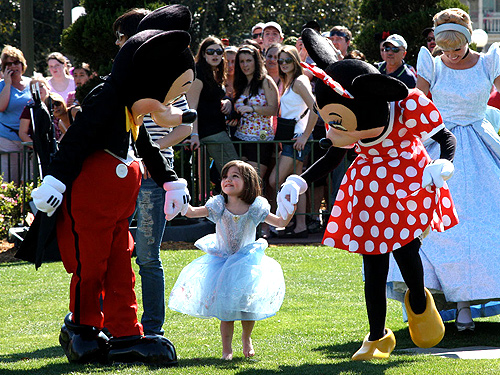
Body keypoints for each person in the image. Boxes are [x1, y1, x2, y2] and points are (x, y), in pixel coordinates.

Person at [278, 28, 459, 360]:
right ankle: (377, 337)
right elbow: (333, 152)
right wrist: (298, 181)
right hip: (369, 186)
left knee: (405, 250)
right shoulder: (346, 121)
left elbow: (445, 137)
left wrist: (444, 163)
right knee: (373, 262)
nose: (333, 132)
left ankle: (418, 301)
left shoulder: (406, 103)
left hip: (407, 182)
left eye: (341, 124)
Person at [388, 7, 500, 332]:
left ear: (467, 41)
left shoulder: (490, 61)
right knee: (439, 228)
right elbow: (416, 102)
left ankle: (470, 301)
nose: (450, 55)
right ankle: (449, 304)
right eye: (445, 48)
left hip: (483, 146)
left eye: (457, 48)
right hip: (442, 148)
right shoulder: (432, 64)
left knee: (487, 223)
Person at [113, 6, 193, 337]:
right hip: (121, 174)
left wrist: (152, 154)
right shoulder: (119, 78)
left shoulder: (166, 77)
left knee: (147, 257)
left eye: (120, 36)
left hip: (153, 177)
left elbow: (186, 124)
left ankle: (152, 328)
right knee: (112, 254)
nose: (117, 43)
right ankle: (114, 323)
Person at [168, 160, 295, 360]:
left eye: (235, 176)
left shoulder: (256, 207)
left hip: (246, 264)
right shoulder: (218, 205)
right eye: (225, 176)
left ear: (248, 182)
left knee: (247, 308)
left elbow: (280, 222)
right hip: (222, 263)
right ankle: (226, 349)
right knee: (226, 310)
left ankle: (247, 338)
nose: (228, 180)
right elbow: (192, 212)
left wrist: (290, 206)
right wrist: (180, 200)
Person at [268, 45, 318, 238]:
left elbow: (315, 107)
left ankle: (283, 221)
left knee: (275, 180)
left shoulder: (299, 81)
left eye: (288, 60)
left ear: (296, 61)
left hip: (298, 139)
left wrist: (305, 136)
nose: (283, 64)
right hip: (293, 139)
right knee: (296, 182)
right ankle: (300, 226)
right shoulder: (289, 81)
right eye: (281, 61)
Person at [187, 36, 238, 174]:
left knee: (229, 171)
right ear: (203, 54)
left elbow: (211, 98)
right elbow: (192, 109)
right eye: (210, 52)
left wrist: (226, 101)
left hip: (217, 130)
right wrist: (194, 135)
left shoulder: (214, 73)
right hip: (210, 133)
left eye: (219, 51)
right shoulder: (198, 75)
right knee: (234, 171)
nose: (215, 55)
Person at [232, 45, 279, 177]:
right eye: (241, 61)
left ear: (256, 61)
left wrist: (253, 108)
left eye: (249, 61)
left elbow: (273, 109)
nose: (245, 65)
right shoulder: (241, 83)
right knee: (240, 181)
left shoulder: (266, 81)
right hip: (240, 137)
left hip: (260, 139)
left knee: (254, 181)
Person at [0, 45, 31, 184]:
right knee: (10, 180)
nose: (13, 66)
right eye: (9, 64)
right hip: (7, 138)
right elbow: (1, 107)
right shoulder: (2, 85)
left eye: (16, 62)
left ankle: (27, 206)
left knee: (29, 180)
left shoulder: (31, 83)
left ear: (22, 64)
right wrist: (7, 84)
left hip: (28, 138)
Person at [19, 73, 51, 144]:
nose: (38, 90)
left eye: (41, 86)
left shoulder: (57, 104)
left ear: (48, 88)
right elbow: (22, 133)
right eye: (35, 88)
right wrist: (36, 147)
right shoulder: (29, 108)